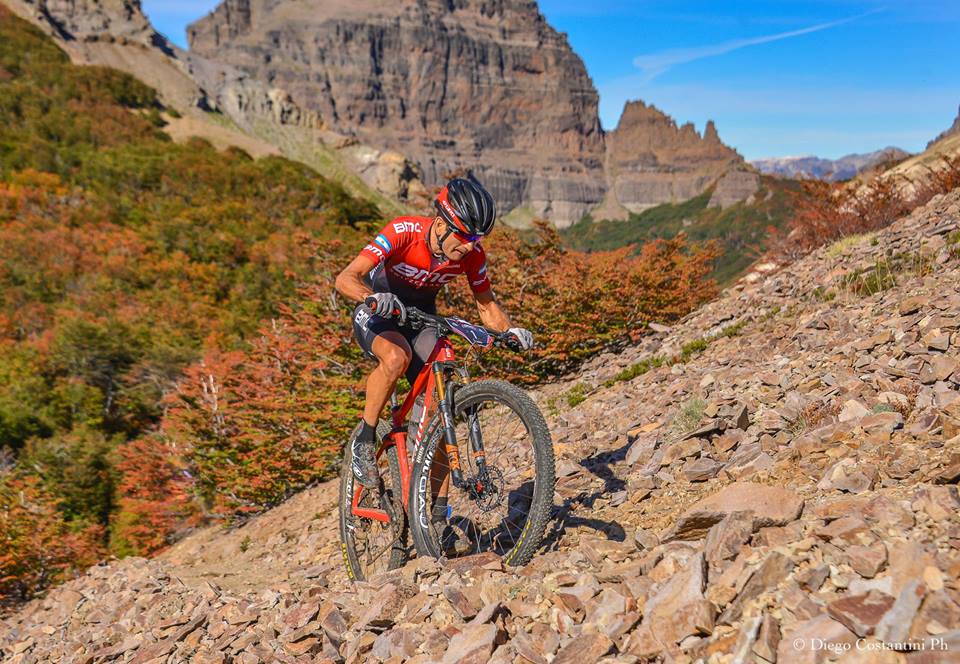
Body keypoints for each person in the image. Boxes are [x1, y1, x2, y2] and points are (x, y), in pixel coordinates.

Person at [334, 174, 533, 510]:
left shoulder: (472, 255)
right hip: (379, 313)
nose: (470, 245)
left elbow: (487, 307)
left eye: (478, 237)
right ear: (441, 224)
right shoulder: (403, 232)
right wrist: (372, 298)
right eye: (465, 235)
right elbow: (346, 278)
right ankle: (365, 440)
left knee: (443, 412)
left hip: (422, 318)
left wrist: (509, 332)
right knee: (396, 358)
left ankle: (438, 514)